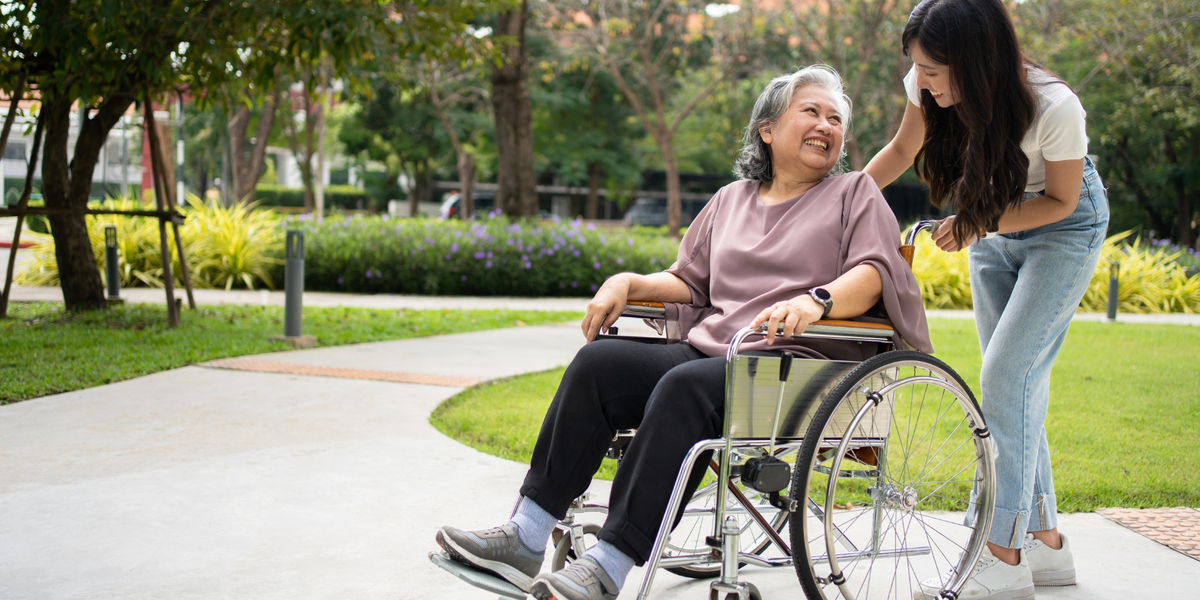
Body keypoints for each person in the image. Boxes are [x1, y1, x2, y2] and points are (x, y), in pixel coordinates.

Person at [435, 65, 931, 600]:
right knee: (598, 364)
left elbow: (874, 273)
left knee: (685, 386)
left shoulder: (854, 193)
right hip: (712, 354)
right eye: (810, 111)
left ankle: (608, 563)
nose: (826, 126)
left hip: (799, 366)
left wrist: (816, 301)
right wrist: (626, 281)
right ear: (767, 128)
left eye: (836, 119)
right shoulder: (730, 199)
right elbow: (687, 280)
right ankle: (527, 535)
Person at [863, 1, 1109, 598]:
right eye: (916, 67)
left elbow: (1060, 201)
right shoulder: (928, 84)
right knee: (1015, 385)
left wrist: (979, 224)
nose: (922, 80)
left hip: (1062, 230)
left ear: (974, 61)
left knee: (1005, 376)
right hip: (990, 221)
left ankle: (1001, 555)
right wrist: (840, 204)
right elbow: (900, 150)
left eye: (933, 70)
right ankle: (1045, 544)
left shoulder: (1054, 105)